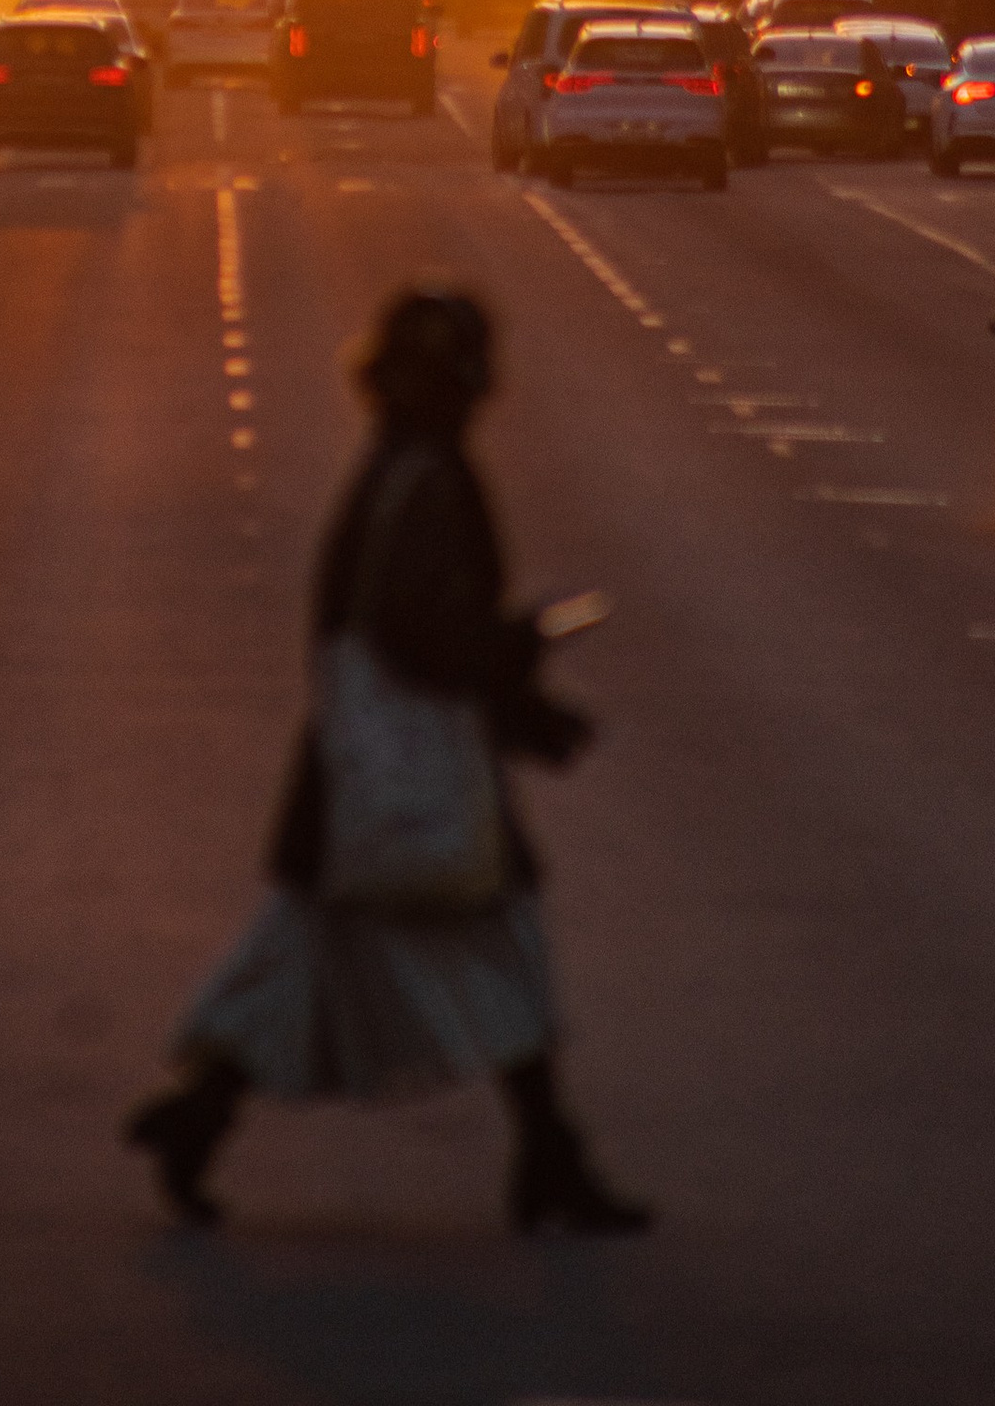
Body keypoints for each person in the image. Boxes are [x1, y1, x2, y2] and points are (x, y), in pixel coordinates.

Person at [123, 283, 648, 1236]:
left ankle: (203, 1115)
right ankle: (548, 1157)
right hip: (410, 771)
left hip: (367, 772)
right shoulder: (427, 477)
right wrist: (518, 672)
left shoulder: (402, 465)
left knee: (314, 952)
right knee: (493, 939)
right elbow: (418, 630)